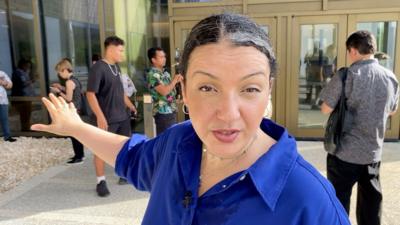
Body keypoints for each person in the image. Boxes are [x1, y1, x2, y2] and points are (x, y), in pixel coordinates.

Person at [32, 13, 350, 224]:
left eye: (250, 88)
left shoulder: (310, 201)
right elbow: (130, 157)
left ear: (268, 90)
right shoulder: (178, 144)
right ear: (183, 90)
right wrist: (75, 127)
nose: (227, 113)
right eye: (207, 87)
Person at [319, 30, 399, 225]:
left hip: (345, 152)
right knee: (371, 204)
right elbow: (392, 111)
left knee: (338, 201)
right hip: (373, 154)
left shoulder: (347, 75)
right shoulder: (390, 77)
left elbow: (325, 108)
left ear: (353, 50)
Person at [86, 36, 137, 197]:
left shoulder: (116, 68)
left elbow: (120, 92)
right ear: (110, 49)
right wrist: (100, 117)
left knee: (123, 146)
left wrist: (130, 106)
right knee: (100, 150)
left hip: (122, 117)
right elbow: (90, 94)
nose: (122, 54)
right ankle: (100, 181)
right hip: (106, 118)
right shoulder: (98, 68)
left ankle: (123, 174)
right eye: (120, 50)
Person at [51, 59, 85, 164]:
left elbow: (69, 98)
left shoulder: (69, 82)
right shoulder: (75, 79)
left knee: (74, 134)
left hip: (73, 109)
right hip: (78, 109)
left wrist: (59, 91)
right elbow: (74, 93)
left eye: (60, 72)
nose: (60, 74)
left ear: (65, 69)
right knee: (76, 134)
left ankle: (79, 156)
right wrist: (61, 87)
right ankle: (79, 155)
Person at [146, 47, 183, 135]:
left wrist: (176, 100)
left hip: (171, 110)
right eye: (161, 57)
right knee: (165, 140)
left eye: (164, 56)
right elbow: (164, 91)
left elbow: (169, 93)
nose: (164, 59)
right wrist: (174, 80)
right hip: (162, 113)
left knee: (171, 138)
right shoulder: (152, 75)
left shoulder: (165, 73)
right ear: (153, 60)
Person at [11, 59, 35, 131]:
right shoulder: (18, 73)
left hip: (26, 98)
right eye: (27, 66)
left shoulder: (23, 73)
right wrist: (32, 80)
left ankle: (26, 129)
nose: (28, 68)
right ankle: (25, 130)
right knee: (25, 115)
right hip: (22, 99)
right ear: (23, 65)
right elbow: (23, 84)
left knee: (26, 116)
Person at [0, 70, 16, 142]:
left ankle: (7, 136)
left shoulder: (2, 73)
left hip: (2, 100)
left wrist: (3, 83)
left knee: (4, 119)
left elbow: (10, 85)